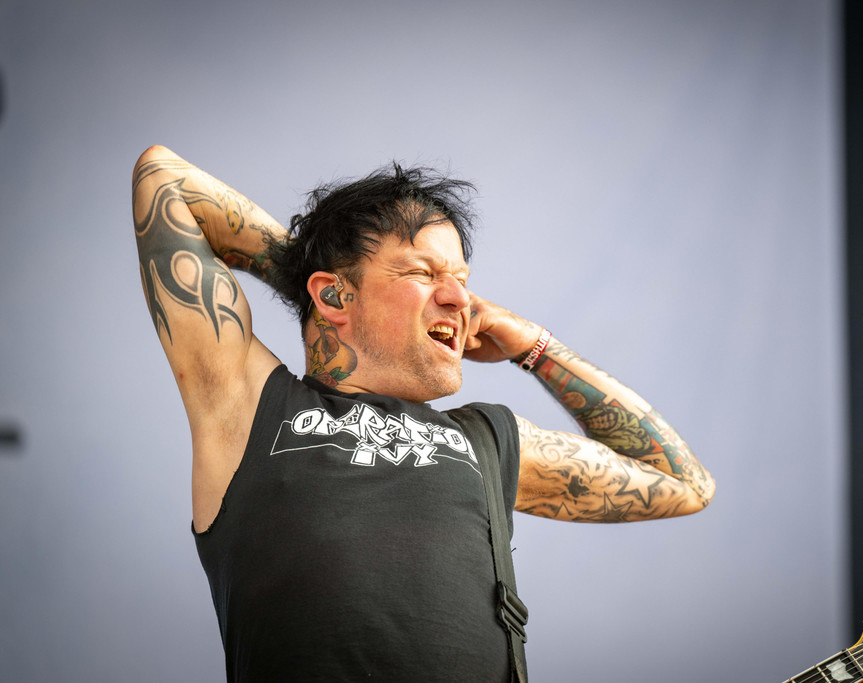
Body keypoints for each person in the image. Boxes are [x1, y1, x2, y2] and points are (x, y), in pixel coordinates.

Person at [132, 145, 715, 682]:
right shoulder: (250, 405)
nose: (461, 299)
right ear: (333, 294)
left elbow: (681, 482)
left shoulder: (486, 441)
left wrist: (533, 346)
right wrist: (310, 273)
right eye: (421, 272)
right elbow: (165, 181)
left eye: (461, 280)